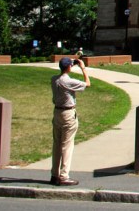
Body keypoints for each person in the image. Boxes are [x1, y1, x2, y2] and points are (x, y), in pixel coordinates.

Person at [50, 56, 91, 186]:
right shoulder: (68, 82)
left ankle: (54, 174)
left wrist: (71, 62)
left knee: (57, 144)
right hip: (68, 113)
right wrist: (83, 68)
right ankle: (64, 176)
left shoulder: (54, 80)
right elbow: (88, 84)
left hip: (57, 113)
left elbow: (65, 67)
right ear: (69, 67)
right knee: (67, 145)